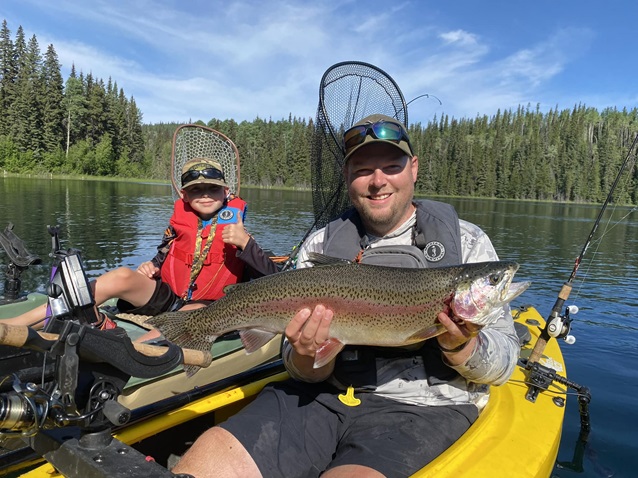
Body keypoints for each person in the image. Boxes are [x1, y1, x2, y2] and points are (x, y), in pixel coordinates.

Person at [171, 115, 520, 478]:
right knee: (208, 455)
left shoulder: (467, 242)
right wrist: (307, 357)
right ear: (347, 176)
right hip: (324, 397)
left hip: (421, 410)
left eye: (391, 166)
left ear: (413, 169)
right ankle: (193, 329)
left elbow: (504, 363)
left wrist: (460, 347)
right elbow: (298, 368)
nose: (378, 180)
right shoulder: (321, 243)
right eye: (363, 169)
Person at [2, 157, 278, 331]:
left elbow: (273, 283)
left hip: (212, 307)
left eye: (213, 189)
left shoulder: (241, 233)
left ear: (226, 192)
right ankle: (15, 325)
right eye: (196, 190)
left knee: (191, 317)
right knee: (122, 275)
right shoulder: (178, 225)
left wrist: (245, 244)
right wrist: (152, 267)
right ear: (184, 194)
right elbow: (164, 257)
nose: (205, 195)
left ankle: (128, 352)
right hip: (170, 298)